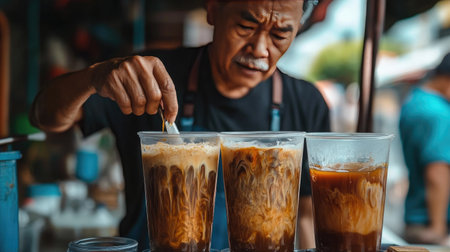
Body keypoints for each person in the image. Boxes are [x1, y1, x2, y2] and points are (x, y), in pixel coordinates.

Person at [30, 0, 330, 250]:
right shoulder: (149, 79)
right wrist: (93, 78)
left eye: (279, 35)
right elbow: (45, 117)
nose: (261, 49)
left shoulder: (306, 104)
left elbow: (305, 217)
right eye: (247, 26)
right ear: (213, 9)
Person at [399, 52, 450, 245]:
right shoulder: (439, 114)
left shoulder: (415, 100)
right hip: (434, 225)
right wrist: (438, 229)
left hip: (416, 219)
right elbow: (437, 170)